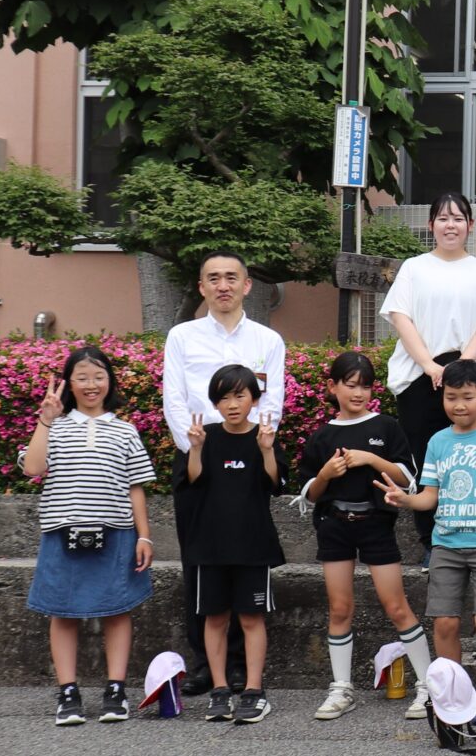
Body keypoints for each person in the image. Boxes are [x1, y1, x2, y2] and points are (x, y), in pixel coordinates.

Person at [161, 249, 284, 694]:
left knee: (244, 552)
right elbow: (174, 399)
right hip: (197, 456)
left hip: (250, 457)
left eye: (231, 277)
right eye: (213, 278)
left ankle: (239, 666)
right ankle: (204, 663)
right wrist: (199, 449)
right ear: (202, 287)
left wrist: (251, 447)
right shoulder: (182, 336)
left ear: (247, 285)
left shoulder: (268, 341)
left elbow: (272, 403)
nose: (223, 285)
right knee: (200, 559)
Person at [379, 359, 476, 726]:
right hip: (445, 546)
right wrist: (406, 499)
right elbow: (430, 496)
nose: (459, 405)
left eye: (468, 397)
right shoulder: (438, 442)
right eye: (451, 397)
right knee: (444, 623)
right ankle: (455, 694)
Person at [24, 346, 156, 728]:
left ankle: (116, 690)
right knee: (62, 613)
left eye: (99, 376)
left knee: (118, 610)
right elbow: (32, 467)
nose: (91, 384)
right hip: (61, 533)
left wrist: (144, 536)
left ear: (110, 381)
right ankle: (68, 693)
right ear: (69, 384)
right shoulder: (55, 427)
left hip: (116, 534)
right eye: (81, 377)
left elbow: (135, 487)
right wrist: (45, 421)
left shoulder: (125, 430)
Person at [300, 352, 432, 722]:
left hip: (376, 524)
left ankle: (427, 686)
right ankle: (341, 688)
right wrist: (326, 473)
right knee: (340, 608)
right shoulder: (322, 436)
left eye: (366, 386)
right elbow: (309, 493)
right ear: (333, 387)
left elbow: (408, 478)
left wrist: (371, 459)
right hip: (334, 525)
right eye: (350, 385)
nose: (358, 393)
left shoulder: (386, 426)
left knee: (397, 606)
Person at [380, 193, 476, 548]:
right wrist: (429, 365)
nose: (451, 225)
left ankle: (469, 536)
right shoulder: (414, 268)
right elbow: (401, 317)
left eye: (458, 218)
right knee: (426, 460)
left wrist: (461, 367)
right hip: (419, 377)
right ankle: (430, 542)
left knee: (467, 457)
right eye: (443, 218)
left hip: (467, 378)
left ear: (470, 225)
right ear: (431, 224)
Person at [182, 364, 284, 725]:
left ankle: (254, 691)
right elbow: (193, 480)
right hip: (210, 546)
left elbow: (275, 484)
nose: (232, 404)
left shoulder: (263, 436)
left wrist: (267, 451)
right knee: (214, 618)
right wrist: (195, 449)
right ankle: (220, 690)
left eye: (240, 395)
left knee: (252, 618)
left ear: (254, 399)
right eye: (224, 397)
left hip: (253, 546)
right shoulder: (206, 436)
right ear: (214, 403)